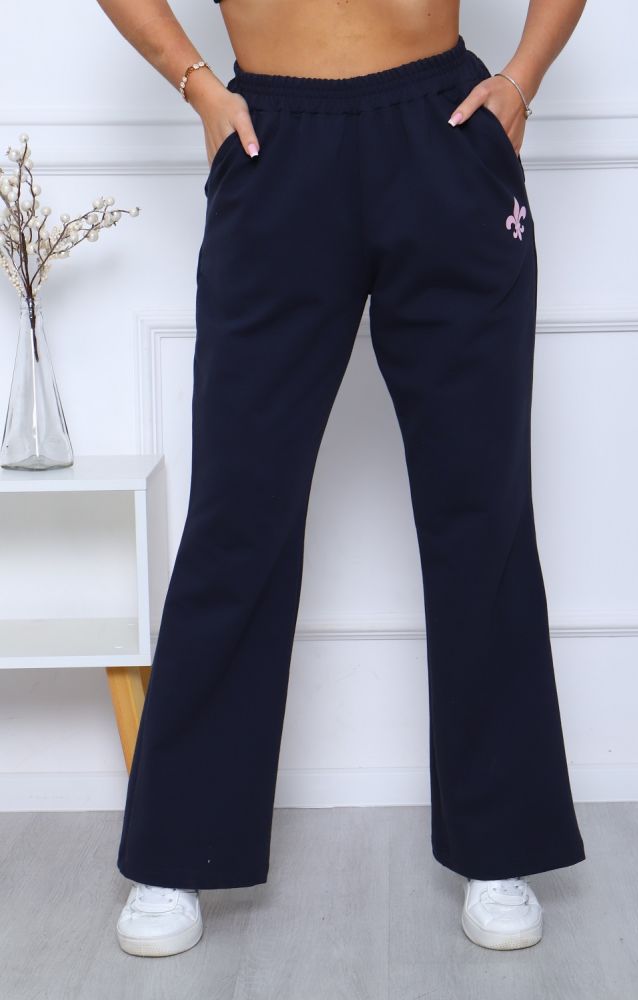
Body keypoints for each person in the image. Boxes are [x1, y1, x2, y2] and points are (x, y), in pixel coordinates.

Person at [97, 0, 589, 957]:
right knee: (238, 511)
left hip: (444, 133)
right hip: (272, 140)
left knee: (479, 505)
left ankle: (500, 845)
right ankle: (177, 848)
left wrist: (521, 80)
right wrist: (197, 85)